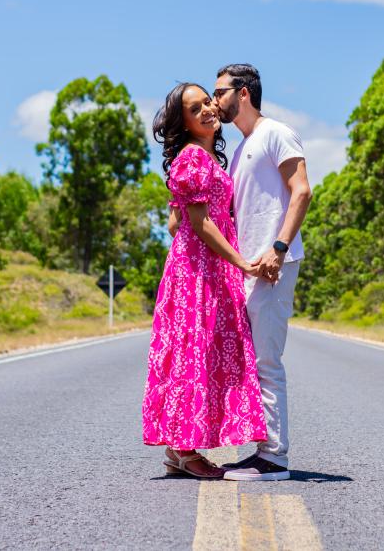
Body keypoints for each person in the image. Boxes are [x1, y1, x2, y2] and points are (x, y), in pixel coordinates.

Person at [142, 82, 268, 479]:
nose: (207, 110)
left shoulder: (204, 158)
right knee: (193, 352)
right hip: (200, 268)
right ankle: (183, 450)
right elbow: (199, 223)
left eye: (207, 102)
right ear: (184, 123)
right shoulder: (193, 156)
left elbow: (174, 222)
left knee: (201, 352)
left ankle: (179, 450)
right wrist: (241, 262)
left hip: (201, 265)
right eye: (194, 109)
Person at [214, 63, 312, 481]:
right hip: (251, 268)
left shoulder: (276, 133)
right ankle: (262, 449)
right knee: (253, 362)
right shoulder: (242, 149)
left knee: (267, 361)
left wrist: (279, 247)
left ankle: (274, 457)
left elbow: (301, 191)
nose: (215, 101)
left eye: (220, 92)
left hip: (274, 265)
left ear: (243, 93)